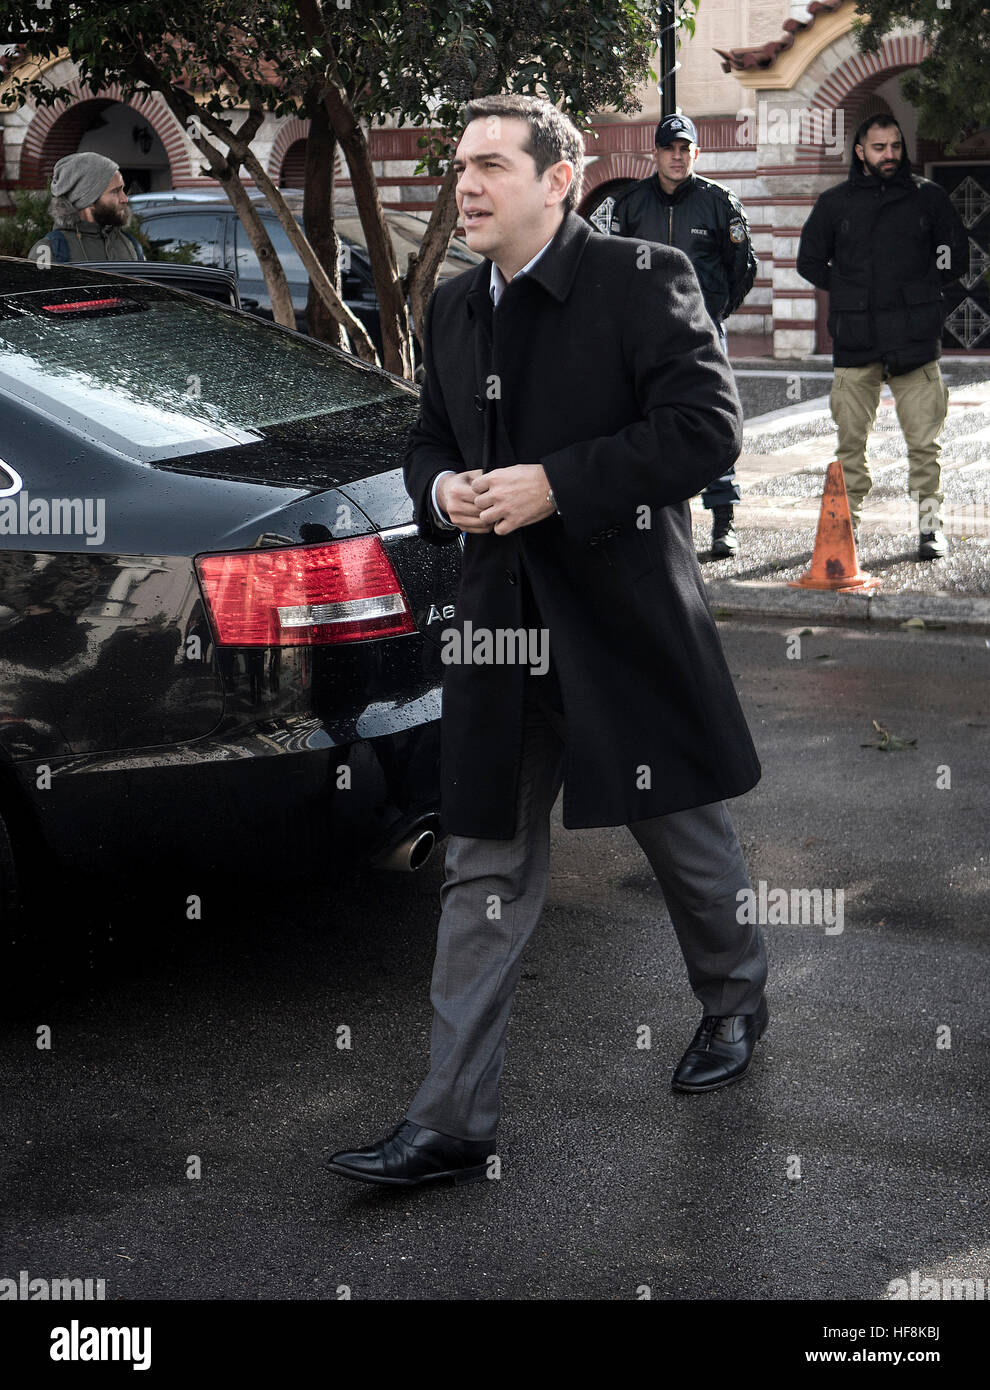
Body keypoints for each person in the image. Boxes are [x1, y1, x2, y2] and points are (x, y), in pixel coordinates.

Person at [327, 95, 769, 1189]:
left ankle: (735, 996)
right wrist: (443, 494)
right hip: (495, 629)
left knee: (681, 837)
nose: (465, 187)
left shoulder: (641, 279)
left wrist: (553, 485)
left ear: (559, 178)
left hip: (620, 620)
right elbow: (429, 437)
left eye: (489, 167)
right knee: (482, 856)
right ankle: (452, 1122)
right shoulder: (453, 304)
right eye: (458, 167)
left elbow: (707, 431)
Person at [796, 114, 967, 559]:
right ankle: (845, 529)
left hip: (915, 339)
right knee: (850, 444)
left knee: (925, 447)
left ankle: (931, 529)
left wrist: (923, 290)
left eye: (895, 146)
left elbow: (956, 257)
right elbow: (809, 261)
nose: (889, 155)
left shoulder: (928, 198)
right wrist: (851, 291)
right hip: (855, 340)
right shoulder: (834, 204)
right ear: (860, 151)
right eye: (879, 148)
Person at [607, 114, 757, 558]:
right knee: (642, 425)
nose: (677, 156)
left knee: (712, 423)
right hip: (642, 340)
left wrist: (714, 316)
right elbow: (607, 269)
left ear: (697, 153)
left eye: (685, 148)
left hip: (702, 337)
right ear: (654, 153)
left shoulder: (720, 203)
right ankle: (652, 526)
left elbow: (743, 268)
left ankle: (723, 519)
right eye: (669, 148)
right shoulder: (628, 204)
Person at [27, 153, 144, 265]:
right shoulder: (49, 250)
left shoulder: (129, 244)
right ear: (88, 200)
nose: (125, 199)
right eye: (115, 191)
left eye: (123, 189)